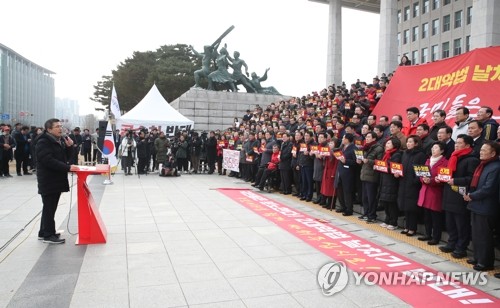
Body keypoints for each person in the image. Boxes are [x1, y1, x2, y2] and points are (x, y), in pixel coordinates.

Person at [36, 118, 77, 244]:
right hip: (49, 180)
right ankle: (49, 235)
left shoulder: (57, 141)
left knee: (49, 207)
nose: (60, 129)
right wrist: (68, 168)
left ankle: (43, 232)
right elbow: (48, 161)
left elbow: (64, 158)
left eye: (61, 126)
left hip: (56, 179)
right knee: (49, 207)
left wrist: (70, 147)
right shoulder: (43, 142)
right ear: (49, 129)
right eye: (57, 127)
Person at [438, 134, 479, 259]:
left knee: (461, 224)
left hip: (460, 196)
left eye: (459, 143)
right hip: (449, 194)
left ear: (467, 145)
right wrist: (441, 177)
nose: (456, 145)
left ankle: (461, 248)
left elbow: (471, 179)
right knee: (450, 223)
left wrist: (455, 181)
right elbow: (447, 173)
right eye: (456, 143)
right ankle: (451, 243)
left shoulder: (471, 159)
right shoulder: (453, 156)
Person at [464, 141, 500, 271]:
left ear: (493, 153)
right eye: (481, 149)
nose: (481, 152)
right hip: (476, 205)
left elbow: (488, 189)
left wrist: (472, 196)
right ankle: (477, 257)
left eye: (484, 150)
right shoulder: (483, 165)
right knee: (476, 234)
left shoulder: (495, 167)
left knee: (484, 236)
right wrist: (470, 194)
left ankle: (485, 262)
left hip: (486, 207)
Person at [417, 142, 448, 245]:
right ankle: (427, 234)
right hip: (425, 191)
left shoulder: (445, 162)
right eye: (432, 148)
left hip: (435, 192)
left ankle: (436, 237)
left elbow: (443, 177)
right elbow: (422, 174)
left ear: (442, 150)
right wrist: (423, 179)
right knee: (427, 215)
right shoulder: (428, 160)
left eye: (436, 148)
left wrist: (431, 181)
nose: (433, 150)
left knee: (435, 216)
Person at [357, 132, 384, 222]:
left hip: (372, 176)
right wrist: (360, 161)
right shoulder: (366, 148)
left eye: (369, 137)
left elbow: (379, 162)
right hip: (364, 174)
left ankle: (372, 216)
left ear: (374, 139)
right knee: (364, 197)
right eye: (366, 137)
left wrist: (368, 161)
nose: (367, 138)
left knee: (371, 197)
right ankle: (366, 213)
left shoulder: (379, 148)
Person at [378, 138, 403, 230]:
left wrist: (382, 167)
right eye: (386, 143)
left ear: (394, 145)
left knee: (391, 202)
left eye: (389, 143)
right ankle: (387, 219)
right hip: (384, 180)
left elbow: (394, 168)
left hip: (392, 181)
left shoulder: (397, 154)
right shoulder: (386, 154)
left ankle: (393, 222)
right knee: (385, 202)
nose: (386, 145)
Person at [334, 133, 357, 216]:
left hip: (348, 173)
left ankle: (349, 209)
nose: (342, 139)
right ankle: (342, 206)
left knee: (347, 191)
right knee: (340, 190)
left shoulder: (354, 148)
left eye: (343, 138)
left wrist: (346, 161)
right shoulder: (343, 147)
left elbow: (356, 162)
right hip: (340, 171)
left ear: (347, 139)